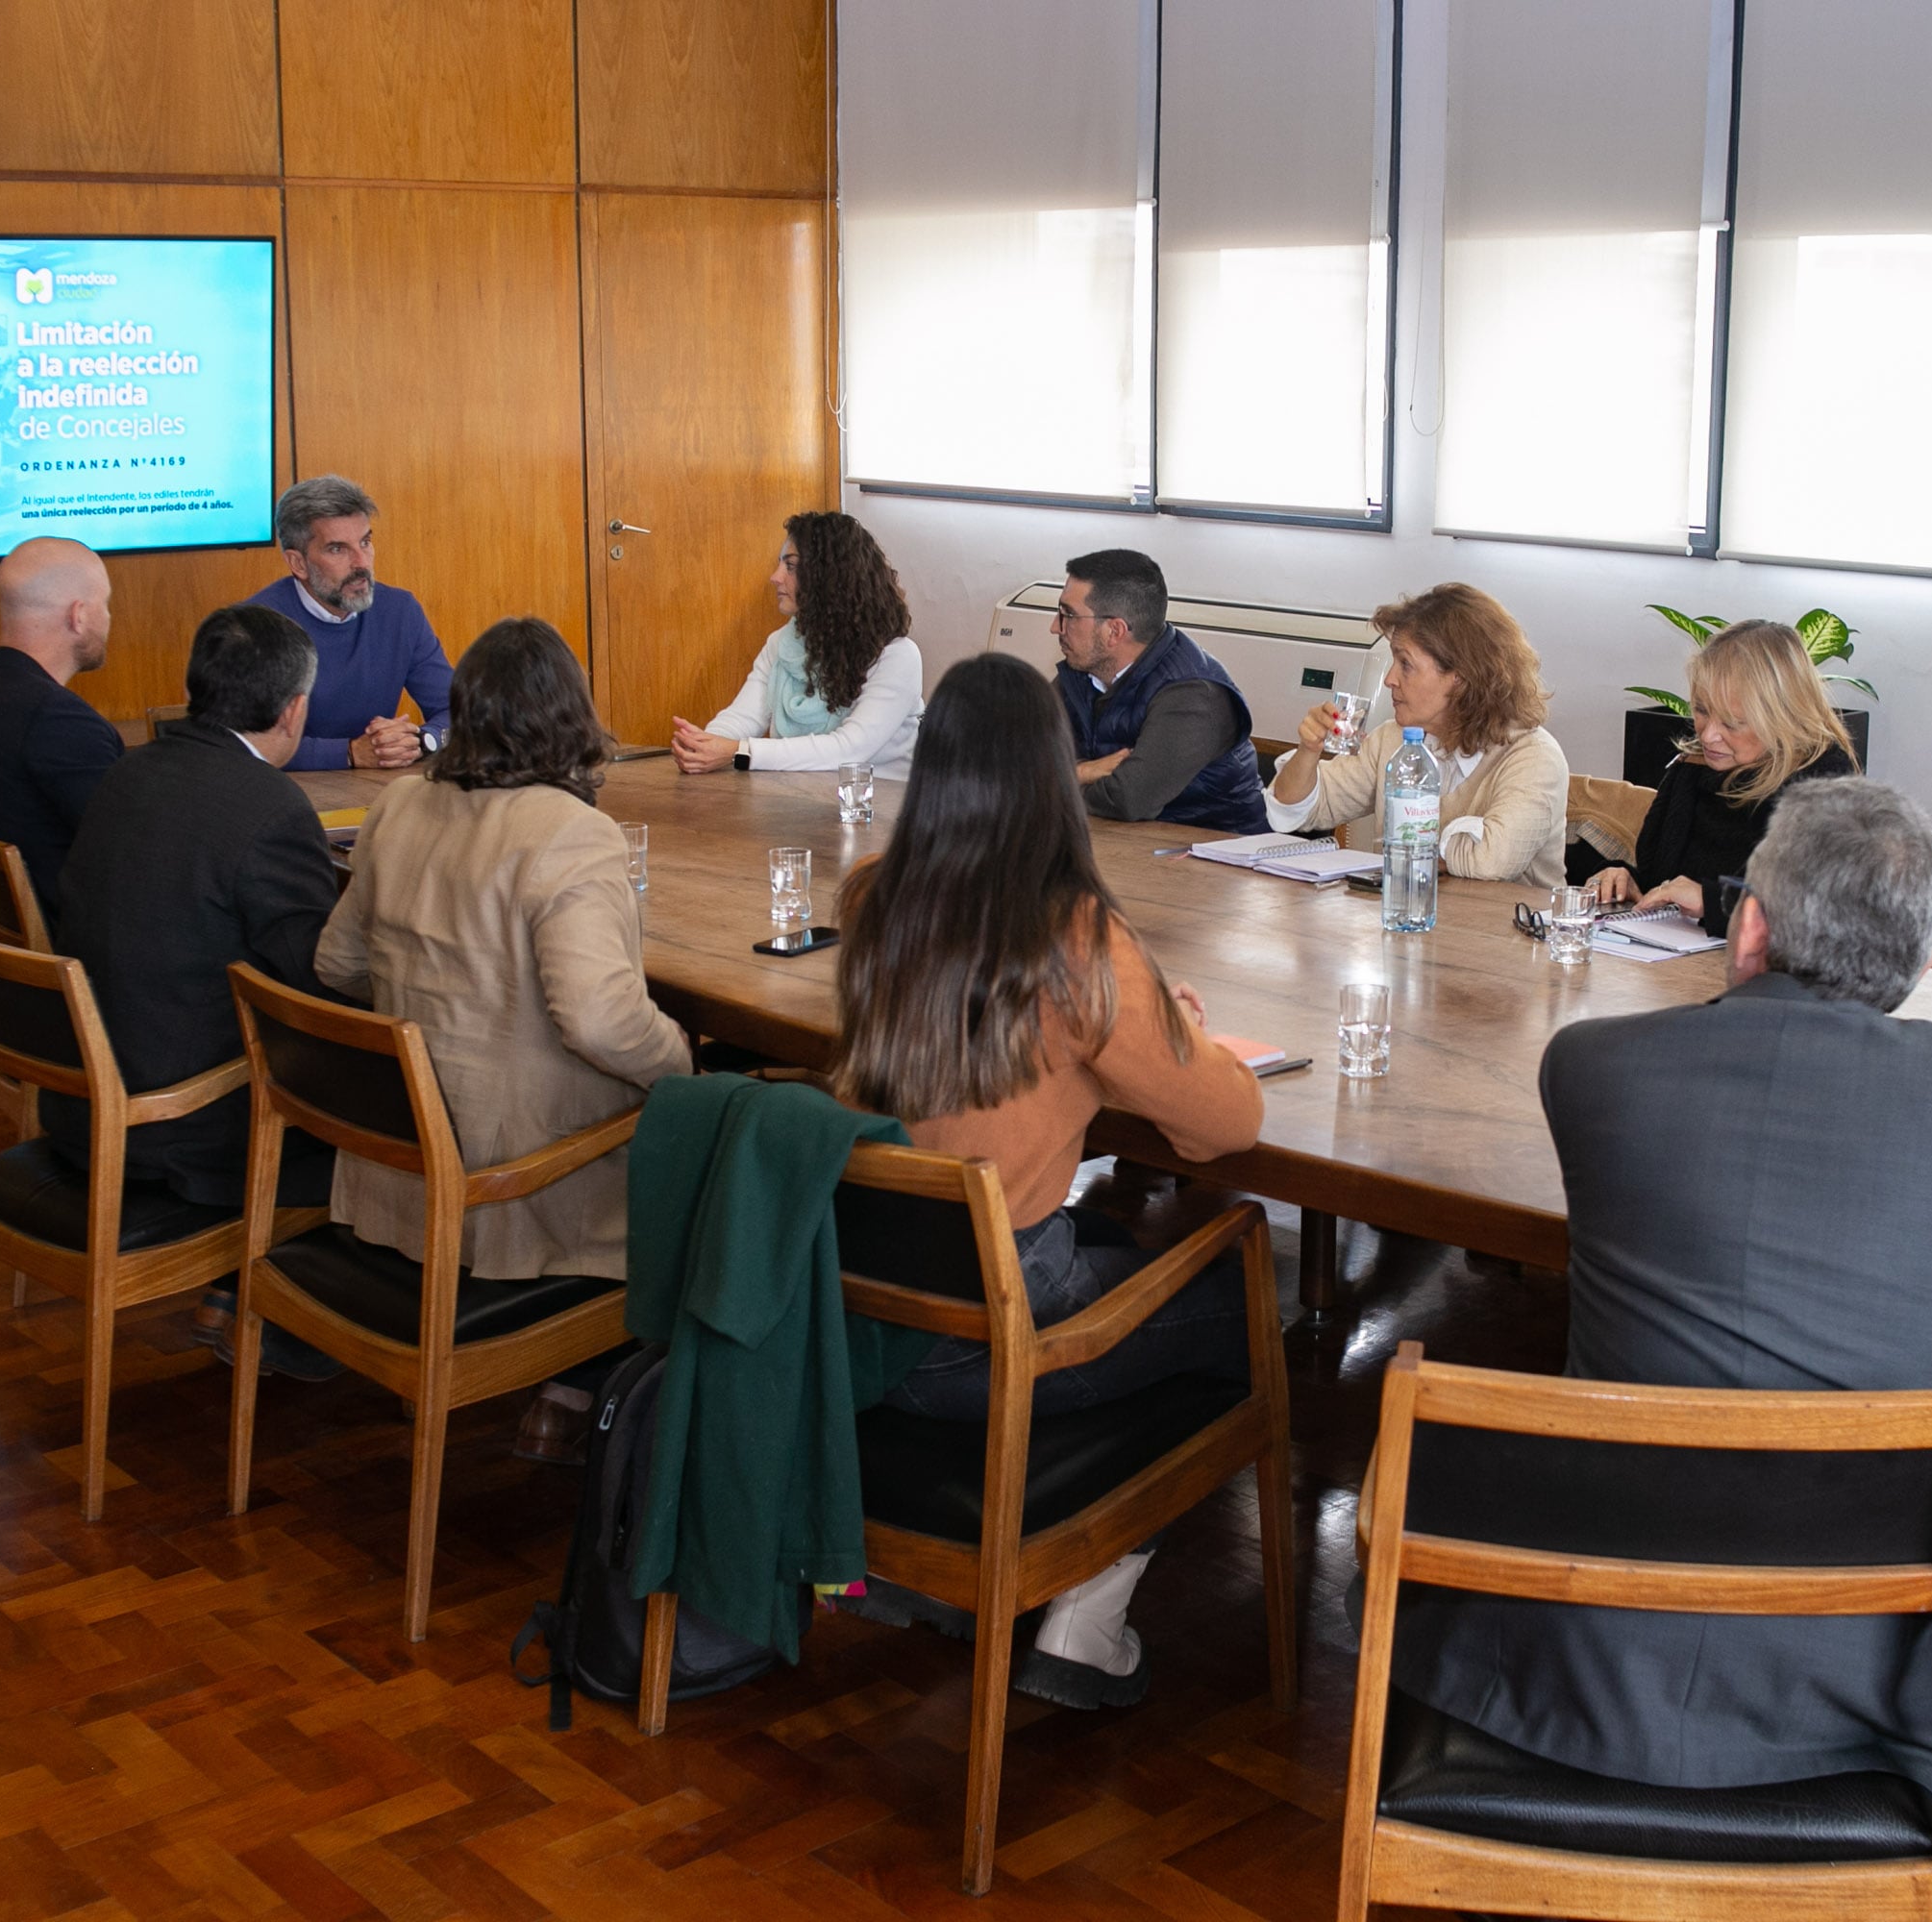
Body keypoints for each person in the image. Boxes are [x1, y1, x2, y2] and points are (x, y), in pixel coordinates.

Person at [1393, 778, 1932, 1798]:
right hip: (1846, 1684)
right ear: (1925, 959)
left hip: (1566, 1648)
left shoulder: (1591, 1067)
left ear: (1749, 925)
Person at [833, 652, 1266, 1708]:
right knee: (1234, 1305)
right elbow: (1225, 1126)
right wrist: (1182, 1030)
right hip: (992, 1328)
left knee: (1113, 1247)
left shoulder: (872, 901)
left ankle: (915, 1564)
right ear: (1048, 773)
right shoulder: (1073, 938)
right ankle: (1092, 1601)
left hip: (868, 1313)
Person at [315, 617, 695, 1462]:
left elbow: (335, 964)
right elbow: (599, 1021)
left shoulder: (402, 803)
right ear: (571, 717)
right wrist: (682, 1063)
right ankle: (592, 1392)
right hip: (511, 1192)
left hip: (397, 1163)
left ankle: (576, 1388)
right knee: (712, 1125)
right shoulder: (570, 834)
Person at [49, 605, 346, 1380]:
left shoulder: (129, 770)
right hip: (181, 1127)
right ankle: (296, 1314)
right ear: (293, 710)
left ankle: (231, 1293)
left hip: (86, 1090)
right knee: (385, 1098)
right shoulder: (269, 808)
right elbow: (318, 985)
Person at [1262, 582, 1572, 886]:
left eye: (1405, 664)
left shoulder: (1534, 756)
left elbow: (1493, 860)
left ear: (1460, 677)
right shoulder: (1394, 738)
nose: (1389, 679)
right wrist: (1308, 750)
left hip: (1509, 932)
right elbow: (1297, 810)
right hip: (1406, 920)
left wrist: (1411, 846)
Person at [1581, 618, 1857, 923]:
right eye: (1700, 710)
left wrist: (1712, 901)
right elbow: (1661, 884)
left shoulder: (1825, 789)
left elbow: (1814, 914)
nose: (1708, 735)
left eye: (1732, 723)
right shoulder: (1691, 769)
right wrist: (1625, 880)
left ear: (1783, 717)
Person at [0, 536, 125, 915]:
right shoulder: (58, 722)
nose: (108, 619)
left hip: (31, 941)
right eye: (105, 606)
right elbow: (133, 848)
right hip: (86, 948)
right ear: (79, 615)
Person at [670, 512, 925, 780]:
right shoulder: (781, 642)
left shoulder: (898, 656)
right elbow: (744, 717)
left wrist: (739, 752)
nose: (775, 577)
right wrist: (703, 745)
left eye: (790, 566)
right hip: (794, 801)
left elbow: (850, 750)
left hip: (875, 809)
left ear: (829, 576)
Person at [240, 474, 452, 773]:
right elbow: (246, 743)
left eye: (365, 542)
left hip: (372, 793)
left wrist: (421, 741)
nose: (361, 563)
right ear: (298, 563)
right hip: (285, 798)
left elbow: (460, 711)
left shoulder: (400, 611)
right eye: (338, 549)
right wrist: (349, 753)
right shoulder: (253, 627)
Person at [1050, 549, 1269, 833]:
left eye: (1068, 614)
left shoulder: (1194, 696)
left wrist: (1053, 779)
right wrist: (1080, 772)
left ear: (1114, 631)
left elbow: (1127, 799)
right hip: (1127, 844)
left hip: (1219, 858)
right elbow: (1012, 763)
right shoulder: (1080, 674)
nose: (1055, 627)